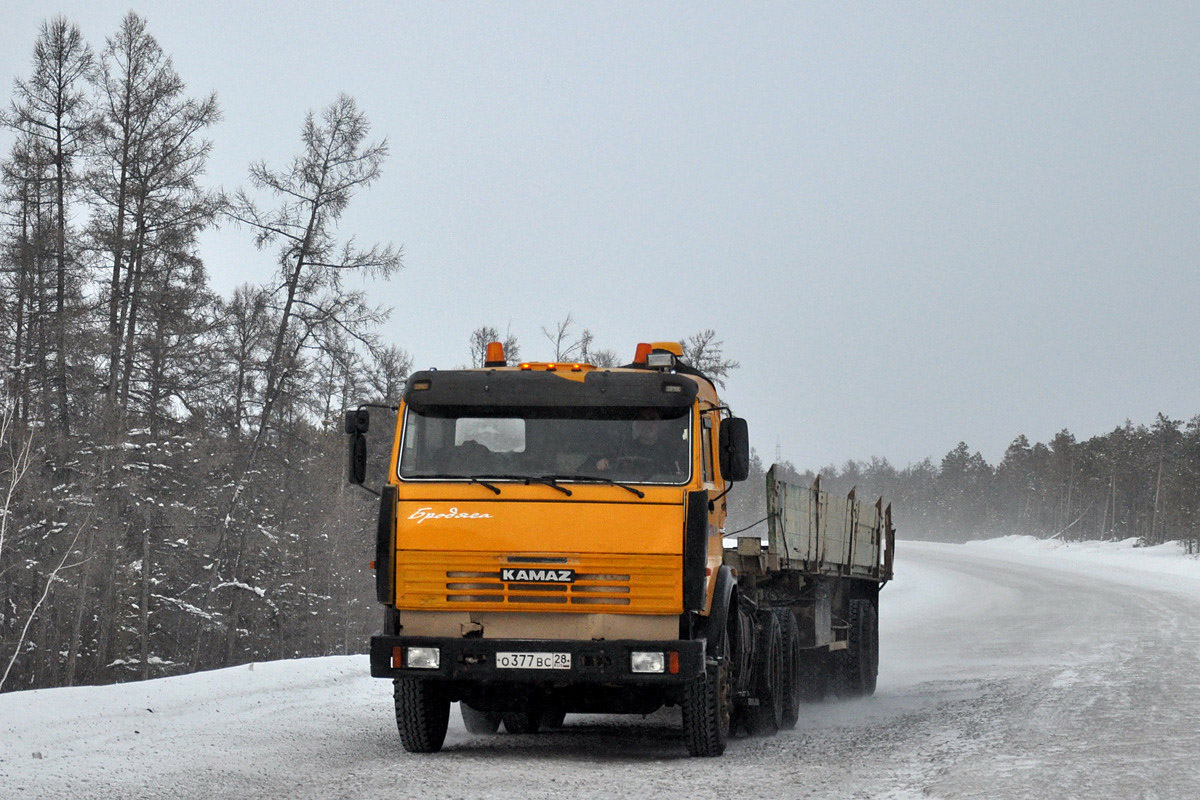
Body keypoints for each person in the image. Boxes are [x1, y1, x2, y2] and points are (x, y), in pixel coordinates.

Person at [592, 409, 686, 480]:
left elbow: (678, 477)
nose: (647, 424)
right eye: (643, 420)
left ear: (660, 425)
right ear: (636, 424)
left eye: (652, 420)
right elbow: (606, 466)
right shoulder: (622, 448)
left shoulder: (670, 451)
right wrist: (603, 464)